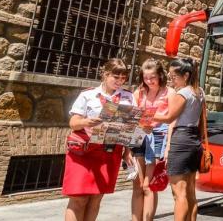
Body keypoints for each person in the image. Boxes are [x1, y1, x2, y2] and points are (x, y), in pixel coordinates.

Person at [63, 58, 134, 221]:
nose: (120, 81)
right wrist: (85, 122)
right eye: (116, 77)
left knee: (96, 198)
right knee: (78, 198)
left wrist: (127, 152)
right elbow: (73, 123)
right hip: (84, 152)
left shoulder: (128, 98)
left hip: (109, 152)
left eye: (123, 78)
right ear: (105, 74)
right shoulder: (88, 95)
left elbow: (131, 128)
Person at [154, 58, 204, 221]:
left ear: (186, 75)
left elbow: (169, 117)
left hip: (181, 139)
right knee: (190, 191)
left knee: (179, 192)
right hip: (194, 140)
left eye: (174, 76)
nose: (171, 79)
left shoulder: (182, 93)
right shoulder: (199, 92)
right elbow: (202, 121)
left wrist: (143, 114)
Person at [131, 59, 171, 221]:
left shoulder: (169, 93)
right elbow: (131, 116)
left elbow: (171, 119)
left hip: (158, 135)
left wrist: (168, 145)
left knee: (149, 185)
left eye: (152, 77)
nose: (149, 81)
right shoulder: (138, 92)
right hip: (138, 134)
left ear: (160, 75)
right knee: (137, 185)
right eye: (146, 77)